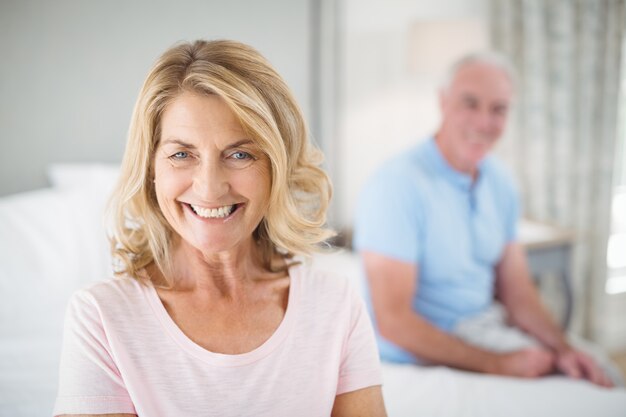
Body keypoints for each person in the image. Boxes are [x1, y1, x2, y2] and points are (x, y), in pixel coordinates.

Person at [54, 39, 386, 417]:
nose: (210, 187)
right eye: (182, 154)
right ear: (151, 169)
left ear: (276, 166)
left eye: (240, 154)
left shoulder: (336, 304)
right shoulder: (101, 317)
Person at [353, 51, 620, 387]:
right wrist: (498, 364)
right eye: (470, 103)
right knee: (585, 395)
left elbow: (519, 293)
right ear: (443, 102)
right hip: (427, 348)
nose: (484, 122)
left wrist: (564, 348)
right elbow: (394, 323)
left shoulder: (501, 181)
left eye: (499, 109)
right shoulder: (396, 185)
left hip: (486, 327)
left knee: (600, 371)